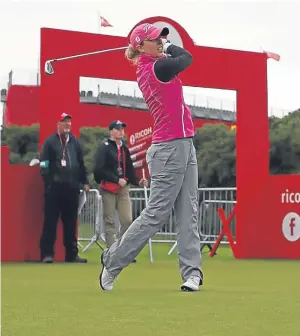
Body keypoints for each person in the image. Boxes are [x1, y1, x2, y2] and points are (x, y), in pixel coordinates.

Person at [99, 23, 203, 292]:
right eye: (156, 40)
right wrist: (168, 49)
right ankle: (112, 260)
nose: (161, 42)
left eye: (163, 39)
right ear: (141, 45)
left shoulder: (155, 66)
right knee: (156, 214)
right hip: (169, 148)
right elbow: (187, 58)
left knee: (188, 211)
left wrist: (164, 48)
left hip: (184, 144)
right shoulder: (156, 68)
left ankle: (192, 273)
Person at [39, 112, 90, 263]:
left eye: (69, 121)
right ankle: (47, 254)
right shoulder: (50, 142)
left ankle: (72, 254)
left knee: (70, 222)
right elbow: (44, 163)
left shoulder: (75, 142)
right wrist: (49, 182)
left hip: (71, 188)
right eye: (64, 121)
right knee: (50, 221)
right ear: (58, 124)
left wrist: (85, 181)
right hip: (54, 189)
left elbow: (81, 163)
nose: (68, 124)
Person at [93, 120, 148, 255]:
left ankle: (122, 249)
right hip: (109, 188)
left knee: (127, 220)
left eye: (122, 129)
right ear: (111, 131)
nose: (121, 131)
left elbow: (129, 168)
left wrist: (138, 181)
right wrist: (116, 179)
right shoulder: (105, 147)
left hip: (123, 188)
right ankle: (112, 251)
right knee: (110, 220)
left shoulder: (124, 148)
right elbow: (98, 170)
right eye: (117, 129)